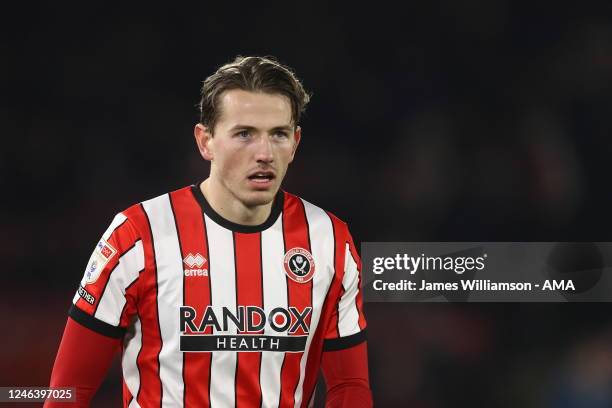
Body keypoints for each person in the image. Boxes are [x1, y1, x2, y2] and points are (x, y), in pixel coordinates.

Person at [45, 56, 372, 408]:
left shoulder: (329, 241)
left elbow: (349, 386)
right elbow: (69, 390)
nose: (264, 153)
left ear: (295, 142)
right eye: (244, 134)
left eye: (278, 134)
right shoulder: (138, 235)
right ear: (206, 142)